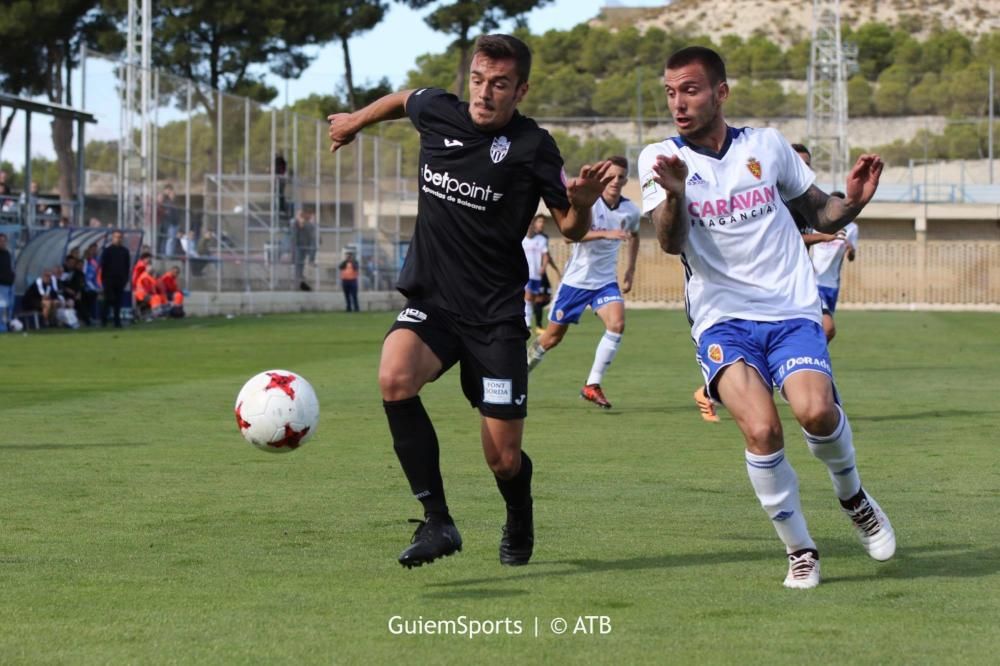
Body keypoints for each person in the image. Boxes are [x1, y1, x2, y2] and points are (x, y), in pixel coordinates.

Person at [328, 33, 613, 569]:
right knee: (394, 376)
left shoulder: (534, 146)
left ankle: (519, 513)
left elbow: (571, 229)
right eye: (478, 80)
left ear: (520, 89)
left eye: (499, 84)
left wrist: (581, 203)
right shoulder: (440, 111)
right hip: (435, 301)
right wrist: (356, 120)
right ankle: (438, 521)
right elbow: (403, 98)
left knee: (502, 459)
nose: (484, 93)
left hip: (495, 318)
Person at [638, 46, 894, 589]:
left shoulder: (767, 146)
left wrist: (854, 202)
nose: (678, 103)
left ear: (720, 93)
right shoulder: (659, 159)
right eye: (670, 91)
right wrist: (676, 194)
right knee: (761, 429)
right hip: (721, 318)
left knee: (817, 413)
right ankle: (801, 549)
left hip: (789, 307)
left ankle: (854, 497)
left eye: (690, 89)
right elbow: (669, 242)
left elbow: (819, 210)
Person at [694, 142, 816, 423]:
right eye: (799, 162)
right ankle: (711, 391)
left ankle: (786, 375)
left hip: (796, 294)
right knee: (763, 427)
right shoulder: (766, 198)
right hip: (742, 303)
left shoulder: (800, 203)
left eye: (806, 164)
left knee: (814, 408)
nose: (802, 168)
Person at [526, 155, 640, 409]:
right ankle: (518, 374)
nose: (615, 180)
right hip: (576, 282)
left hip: (605, 282)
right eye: (610, 175)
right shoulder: (590, 203)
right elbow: (570, 238)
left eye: (621, 176)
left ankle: (592, 384)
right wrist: (605, 233)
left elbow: (634, 235)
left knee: (617, 323)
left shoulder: (630, 210)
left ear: (625, 180)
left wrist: (630, 269)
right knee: (552, 338)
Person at [802, 192, 857, 342]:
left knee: (825, 329)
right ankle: (810, 355)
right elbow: (801, 241)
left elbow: (852, 258)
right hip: (815, 281)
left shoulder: (851, 228)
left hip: (832, 285)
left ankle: (810, 357)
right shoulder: (817, 224)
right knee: (828, 327)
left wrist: (851, 250)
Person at [521, 215, 553, 330]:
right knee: (528, 298)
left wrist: (544, 267)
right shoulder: (522, 240)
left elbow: (545, 255)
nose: (529, 228)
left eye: (530, 225)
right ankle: (527, 323)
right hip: (526, 274)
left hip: (537, 275)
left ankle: (532, 323)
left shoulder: (541, 239)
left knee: (534, 299)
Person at [100, 230, 131, 328]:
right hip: (109, 280)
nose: (119, 239)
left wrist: (125, 279)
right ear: (112, 238)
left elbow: (127, 266)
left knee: (118, 301)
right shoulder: (107, 250)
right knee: (108, 300)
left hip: (120, 280)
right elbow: (103, 266)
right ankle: (103, 321)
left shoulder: (125, 251)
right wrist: (104, 280)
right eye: (117, 237)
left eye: (120, 237)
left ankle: (117, 322)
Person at [0, 233, 14, 331]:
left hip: (9, 284)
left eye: (4, 241)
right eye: (1, 241)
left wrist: (13, 276)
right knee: (2, 307)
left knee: (9, 306)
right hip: (1, 285)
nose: (3, 243)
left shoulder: (7, 254)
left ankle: (7, 324)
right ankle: (2, 327)